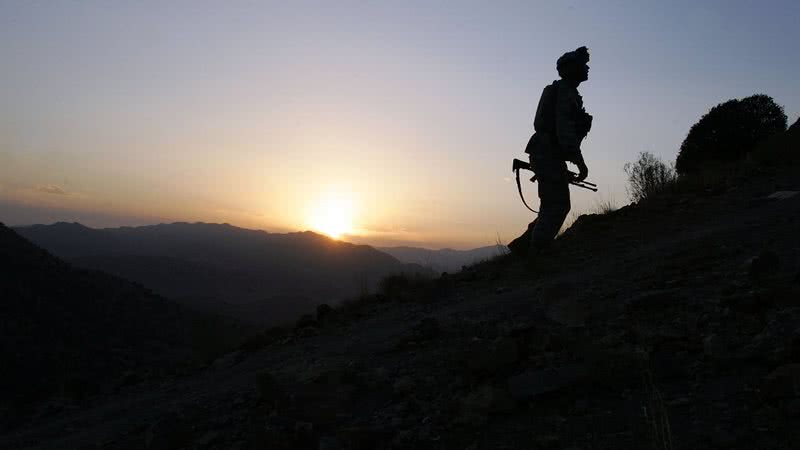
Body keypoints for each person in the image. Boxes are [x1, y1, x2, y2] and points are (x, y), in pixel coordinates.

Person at [509, 46, 593, 256]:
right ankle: (538, 254)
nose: (587, 68)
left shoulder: (568, 92)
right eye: (583, 65)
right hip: (547, 153)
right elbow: (564, 129)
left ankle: (522, 248)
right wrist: (579, 161)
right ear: (572, 69)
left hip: (548, 153)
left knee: (552, 203)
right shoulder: (564, 92)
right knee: (557, 204)